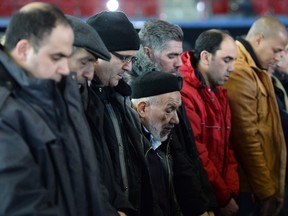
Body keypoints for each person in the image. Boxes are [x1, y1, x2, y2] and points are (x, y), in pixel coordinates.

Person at [0, 2, 104, 215]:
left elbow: (87, 177)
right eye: (56, 57)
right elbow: (21, 205)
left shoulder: (60, 93)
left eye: (66, 57)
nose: (65, 69)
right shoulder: (6, 112)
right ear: (23, 50)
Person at [129, 19, 218, 216]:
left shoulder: (174, 85)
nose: (179, 62)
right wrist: (200, 207)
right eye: (172, 56)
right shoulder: (134, 96)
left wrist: (207, 203)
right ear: (148, 53)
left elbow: (189, 153)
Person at [85, 11, 154, 216]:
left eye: (132, 58)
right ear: (97, 53)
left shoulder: (121, 100)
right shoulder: (81, 106)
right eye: (123, 57)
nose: (129, 67)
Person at [223, 16, 288, 216]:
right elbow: (247, 138)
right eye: (276, 50)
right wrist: (267, 191)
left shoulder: (257, 69)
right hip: (250, 190)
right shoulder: (241, 71)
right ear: (258, 39)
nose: (278, 57)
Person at [178, 29, 239, 216]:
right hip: (202, 201)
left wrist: (230, 192)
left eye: (234, 60)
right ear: (205, 57)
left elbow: (227, 148)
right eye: (227, 60)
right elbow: (198, 153)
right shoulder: (185, 91)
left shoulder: (218, 92)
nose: (232, 68)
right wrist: (223, 197)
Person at [131, 70, 182, 215]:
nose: (176, 120)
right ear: (142, 109)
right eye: (169, 109)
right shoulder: (131, 149)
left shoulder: (162, 141)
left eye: (177, 110)